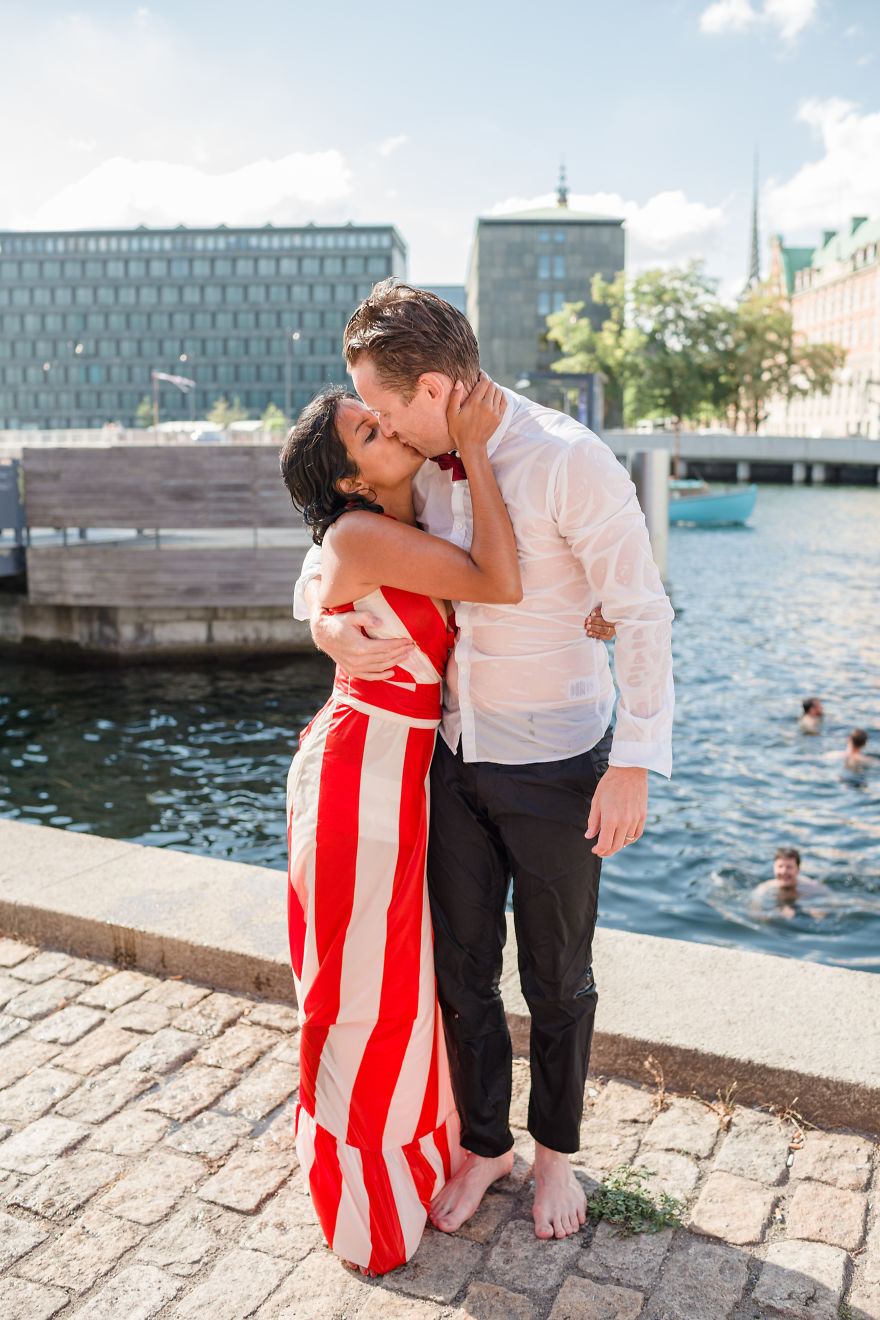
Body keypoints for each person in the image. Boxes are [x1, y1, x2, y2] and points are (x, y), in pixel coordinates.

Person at [294, 281, 674, 1242]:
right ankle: (485, 1145)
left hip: (559, 762)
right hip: (452, 758)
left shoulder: (570, 459)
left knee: (558, 978)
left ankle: (557, 1157)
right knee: (462, 971)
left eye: (380, 409)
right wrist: (321, 623)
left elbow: (640, 610)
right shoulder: (419, 464)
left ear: (430, 389)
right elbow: (339, 540)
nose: (380, 427)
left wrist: (634, 760)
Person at [280, 375, 521, 1275]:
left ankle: (413, 1152)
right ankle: (363, 1195)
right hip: (361, 778)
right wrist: (479, 448)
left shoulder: (405, 512)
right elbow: (495, 580)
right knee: (361, 992)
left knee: (400, 984)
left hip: (401, 776)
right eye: (369, 431)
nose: (388, 425)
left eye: (377, 414)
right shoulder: (360, 531)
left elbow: (318, 578)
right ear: (350, 479)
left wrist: (320, 617)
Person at [751, 847, 833, 919]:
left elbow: (832, 900)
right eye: (780, 867)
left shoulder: (809, 886)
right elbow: (755, 914)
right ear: (774, 868)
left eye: (789, 867)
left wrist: (820, 911)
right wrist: (777, 914)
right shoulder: (764, 889)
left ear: (798, 870)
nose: (784, 871)